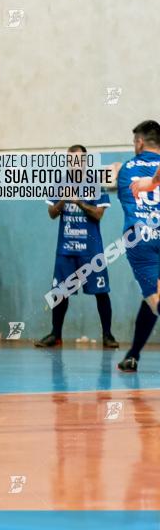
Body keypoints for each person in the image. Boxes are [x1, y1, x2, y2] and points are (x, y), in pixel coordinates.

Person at [35, 145, 116, 348]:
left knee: (101, 292)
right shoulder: (59, 183)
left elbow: (98, 214)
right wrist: (63, 199)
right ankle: (56, 335)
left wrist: (78, 201)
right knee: (60, 292)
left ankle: (107, 335)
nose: (75, 164)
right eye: (71, 160)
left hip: (91, 250)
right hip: (66, 249)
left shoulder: (96, 184)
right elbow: (52, 214)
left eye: (79, 160)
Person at [114, 120, 160, 372]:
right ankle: (133, 355)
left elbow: (119, 192)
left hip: (141, 238)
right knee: (151, 298)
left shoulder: (126, 168)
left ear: (140, 142)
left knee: (154, 300)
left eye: (134, 142)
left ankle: (132, 355)